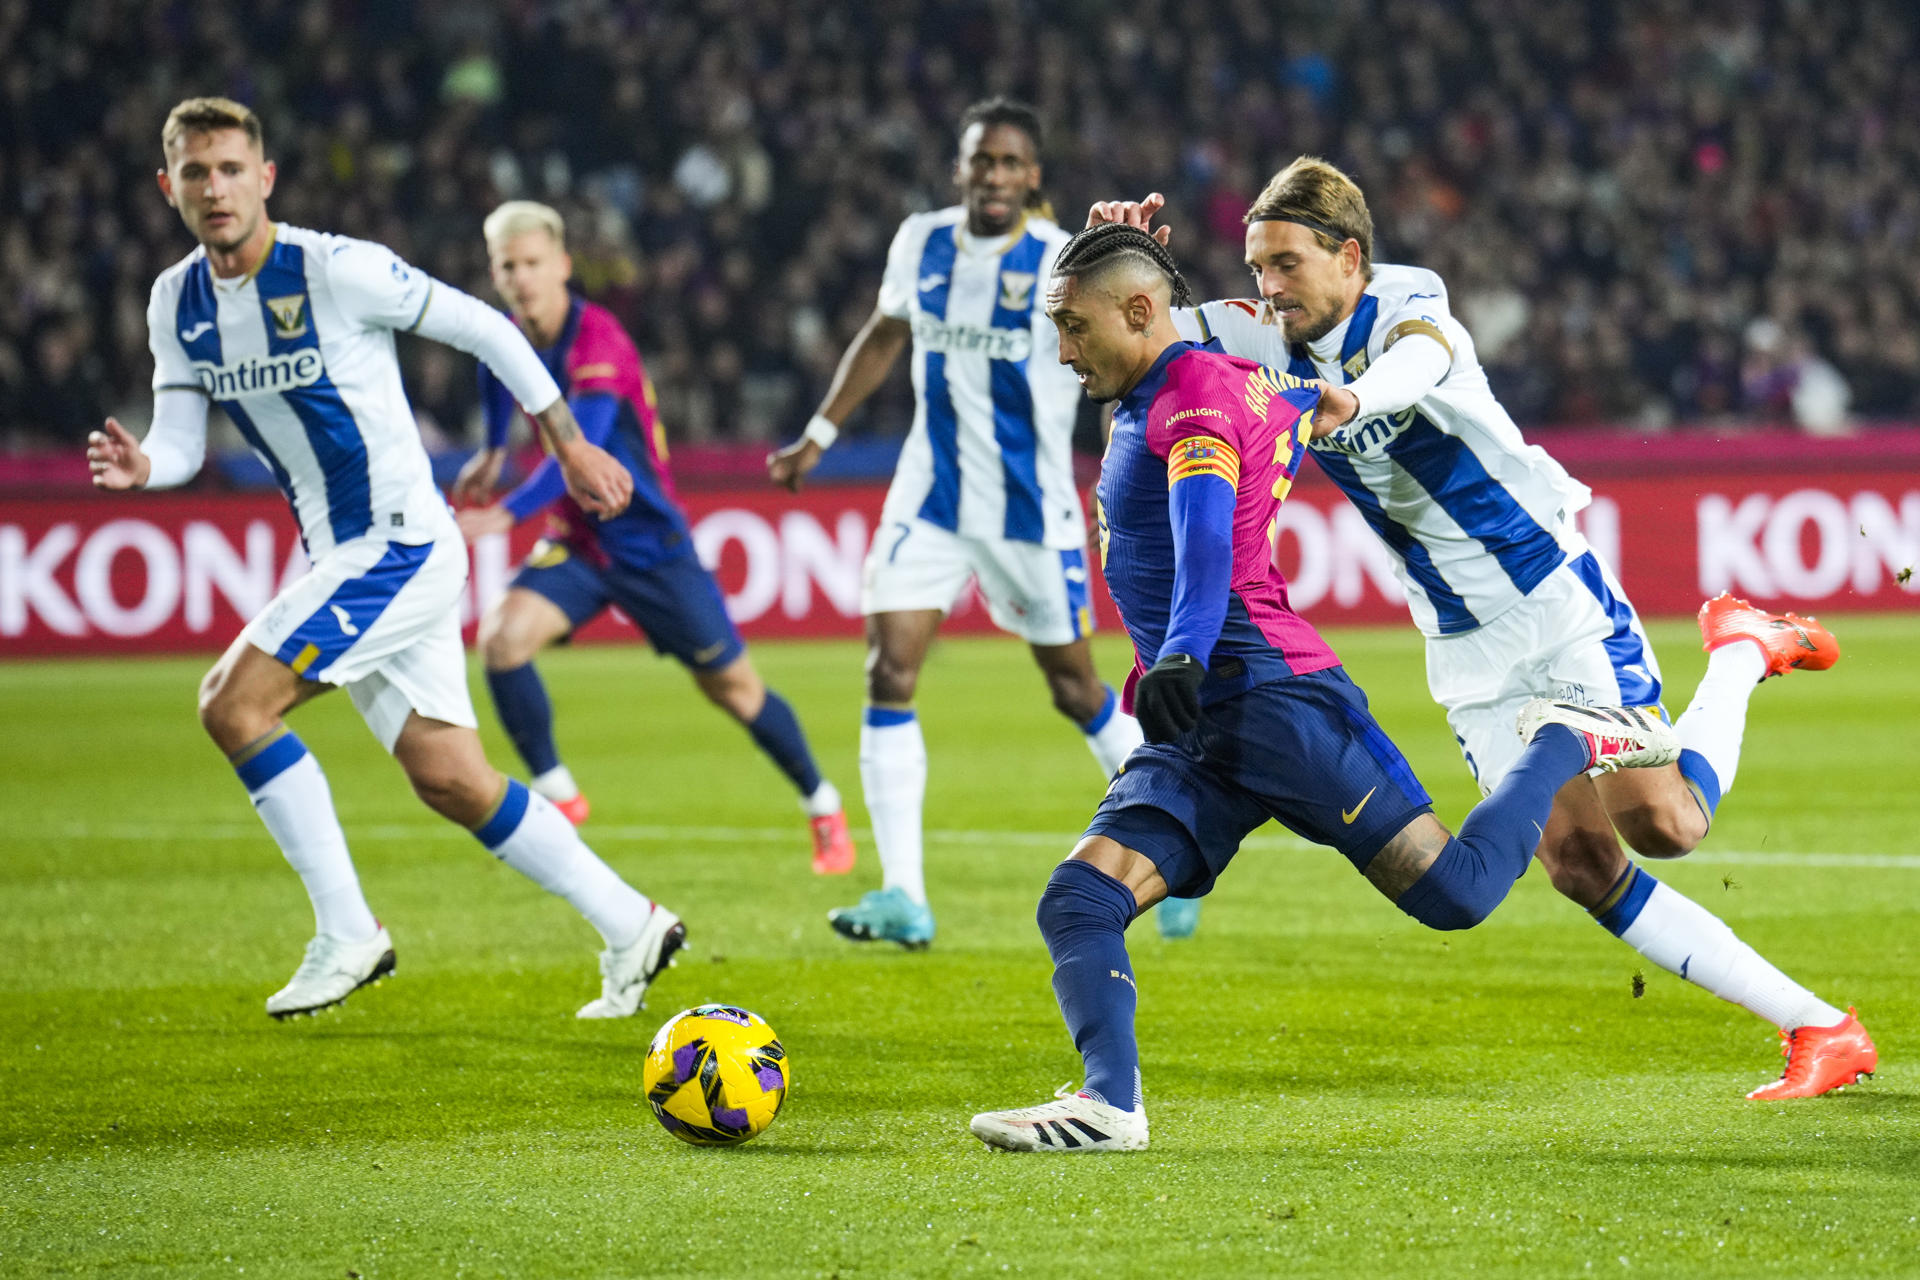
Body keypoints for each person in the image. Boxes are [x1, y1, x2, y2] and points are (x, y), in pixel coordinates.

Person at [1090, 160, 1875, 1100]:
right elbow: (1129, 319)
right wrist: (1122, 246)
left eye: (1287, 265)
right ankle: (1820, 1027)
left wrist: (1354, 400)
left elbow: (1419, 359)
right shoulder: (1260, 332)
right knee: (1581, 867)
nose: (1267, 287)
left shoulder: (1408, 304)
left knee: (1669, 827)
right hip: (1461, 646)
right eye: (1258, 267)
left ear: (1349, 257)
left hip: (1551, 600)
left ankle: (1742, 650)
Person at [968, 225, 1681, 1153]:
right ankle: (1111, 1109)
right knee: (1077, 901)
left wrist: (1179, 653)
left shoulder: (1189, 404)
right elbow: (1271, 376)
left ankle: (1566, 738)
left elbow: (1205, 537)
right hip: (1199, 725)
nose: (1062, 350)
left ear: (1140, 313)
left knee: (1455, 894)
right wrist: (1123, 244)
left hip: (1271, 698)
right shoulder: (1199, 381)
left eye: (1072, 326)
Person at [85, 98, 684, 1021]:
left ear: (266, 177)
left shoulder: (334, 269)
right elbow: (182, 442)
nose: (217, 188)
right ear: (169, 187)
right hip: (347, 553)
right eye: (197, 173)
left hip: (398, 541)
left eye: (233, 168)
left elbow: (485, 327)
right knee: (452, 777)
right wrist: (144, 467)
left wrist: (563, 442)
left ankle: (348, 932)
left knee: (232, 703)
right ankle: (631, 923)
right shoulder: (178, 302)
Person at [766, 98, 1146, 948]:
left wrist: (1117, 491)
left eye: (1012, 163)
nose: (996, 177)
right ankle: (905, 896)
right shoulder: (920, 241)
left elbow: (1119, 372)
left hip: (1028, 509)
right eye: (983, 162)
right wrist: (818, 435)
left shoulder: (1063, 263)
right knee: (888, 672)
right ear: (961, 169)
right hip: (929, 497)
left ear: (1033, 176)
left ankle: (1173, 835)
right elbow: (884, 333)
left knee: (1077, 689)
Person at [451, 201, 855, 874]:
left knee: (734, 690)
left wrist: (507, 511)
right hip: (582, 543)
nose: (521, 279)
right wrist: (494, 448)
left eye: (532, 264)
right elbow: (495, 370)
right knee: (501, 639)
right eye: (507, 267)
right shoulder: (509, 334)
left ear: (562, 265)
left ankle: (822, 802)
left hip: (651, 545)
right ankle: (559, 796)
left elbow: (584, 447)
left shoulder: (598, 340)